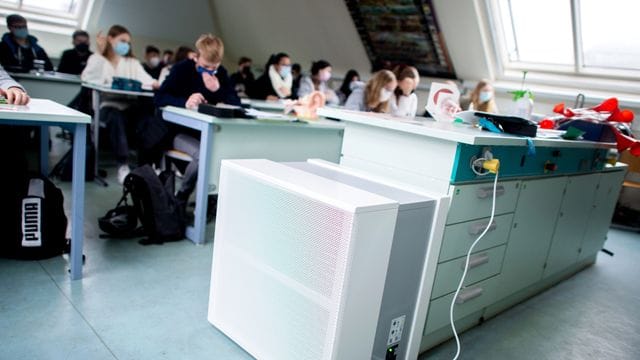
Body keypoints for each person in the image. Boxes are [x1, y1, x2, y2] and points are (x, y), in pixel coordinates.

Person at [155, 34, 239, 205]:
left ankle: (210, 201)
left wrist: (218, 90)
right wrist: (184, 102)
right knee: (204, 154)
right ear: (197, 57)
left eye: (213, 67)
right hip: (178, 132)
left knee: (224, 152)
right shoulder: (182, 69)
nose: (209, 71)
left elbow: (236, 103)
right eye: (205, 66)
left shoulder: (221, 74)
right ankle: (182, 196)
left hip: (209, 133)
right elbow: (159, 97)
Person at [81, 25, 159, 184]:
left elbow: (146, 80)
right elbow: (87, 78)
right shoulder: (98, 59)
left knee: (149, 120)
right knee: (116, 118)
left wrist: (155, 83)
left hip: (129, 106)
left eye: (128, 42)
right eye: (122, 40)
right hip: (107, 106)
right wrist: (100, 53)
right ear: (110, 39)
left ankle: (149, 164)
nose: (126, 45)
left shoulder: (132, 62)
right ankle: (123, 165)